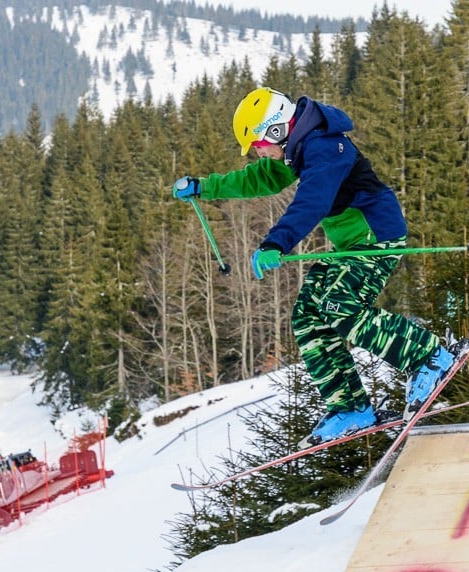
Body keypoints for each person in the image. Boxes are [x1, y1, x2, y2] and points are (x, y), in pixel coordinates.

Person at [173, 87, 454, 445]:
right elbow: (257, 179)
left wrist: (277, 241)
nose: (258, 154)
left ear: (276, 130)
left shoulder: (324, 147)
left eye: (258, 145)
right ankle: (351, 407)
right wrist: (203, 187)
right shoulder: (299, 149)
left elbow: (313, 200)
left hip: (375, 237)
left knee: (341, 307)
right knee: (308, 315)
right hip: (350, 245)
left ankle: (429, 356)